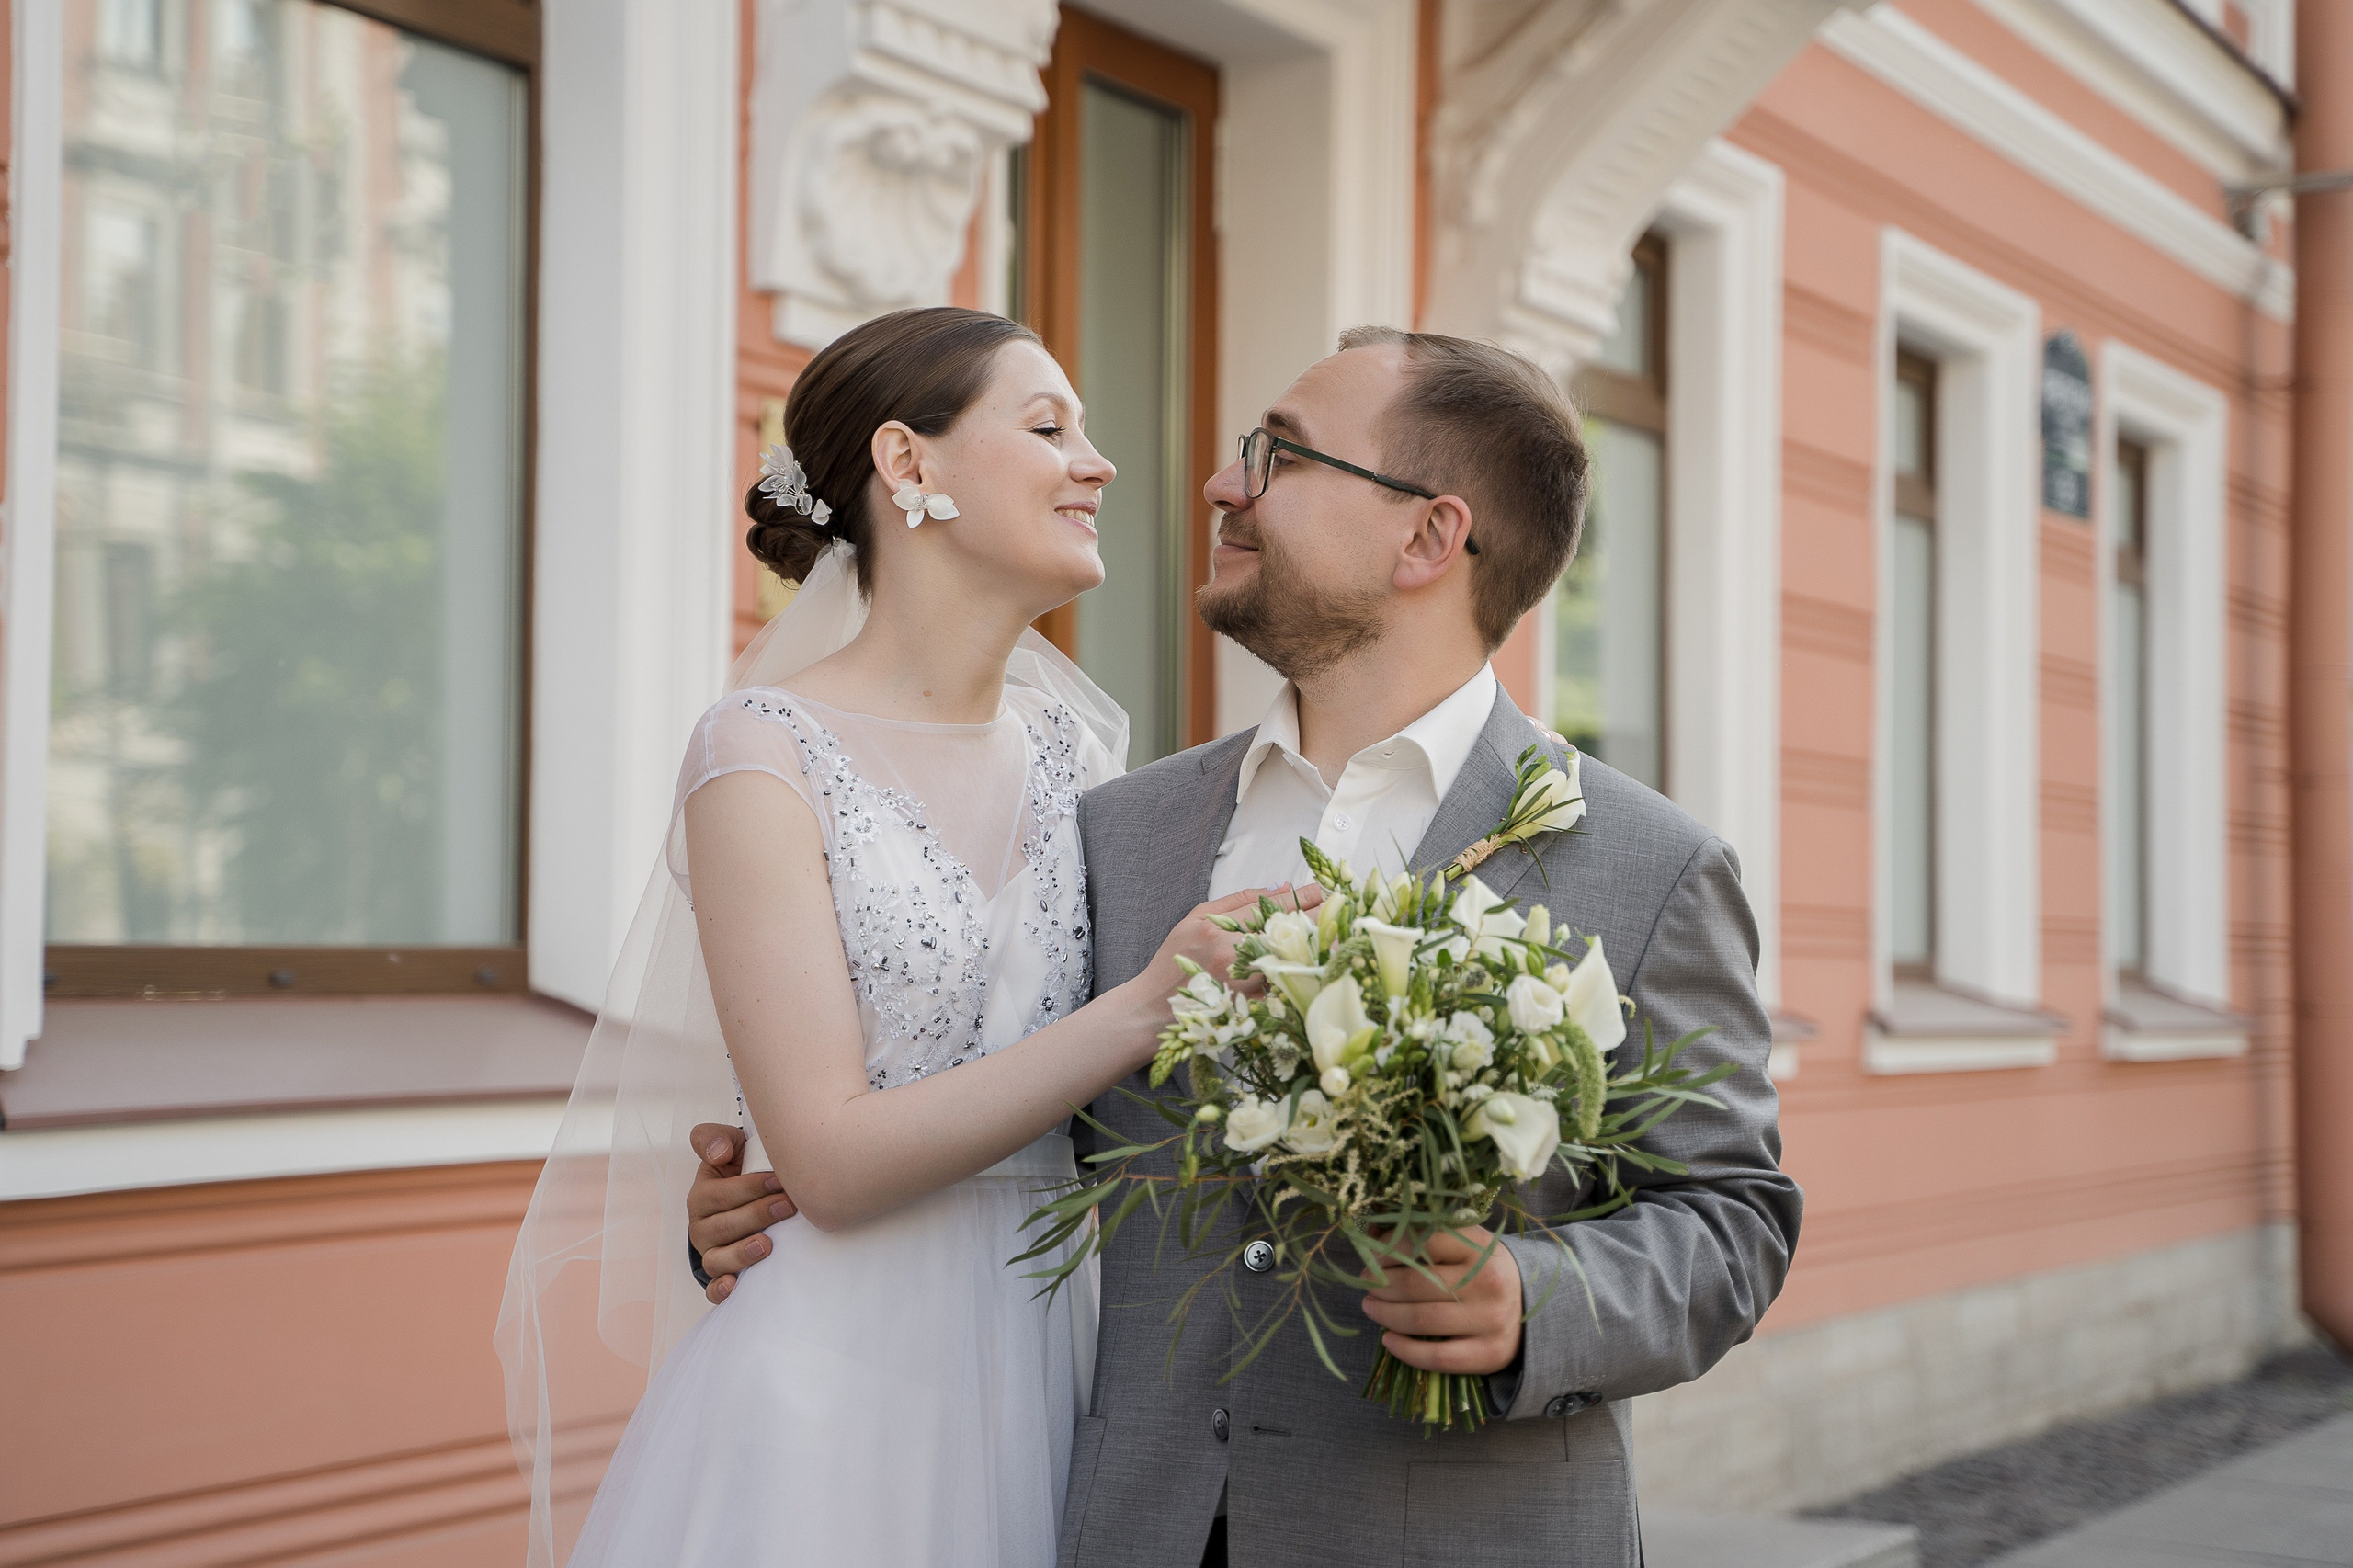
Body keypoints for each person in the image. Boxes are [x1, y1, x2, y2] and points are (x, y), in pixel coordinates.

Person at [691, 326, 1803, 1567]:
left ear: (1428, 537)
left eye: (1276, 456)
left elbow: (1733, 1219)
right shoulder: (1121, 823)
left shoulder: (1649, 865)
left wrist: (1530, 1300)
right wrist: (762, 1213)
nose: (1222, 485)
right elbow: (1001, 1089)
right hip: (1129, 1522)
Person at [494, 306, 1304, 1568]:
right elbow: (825, 1155)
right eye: (1048, 427)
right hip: (835, 1381)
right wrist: (1145, 1003)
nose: (1097, 462)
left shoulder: (1080, 756)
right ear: (908, 464)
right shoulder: (760, 750)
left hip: (1054, 1367)